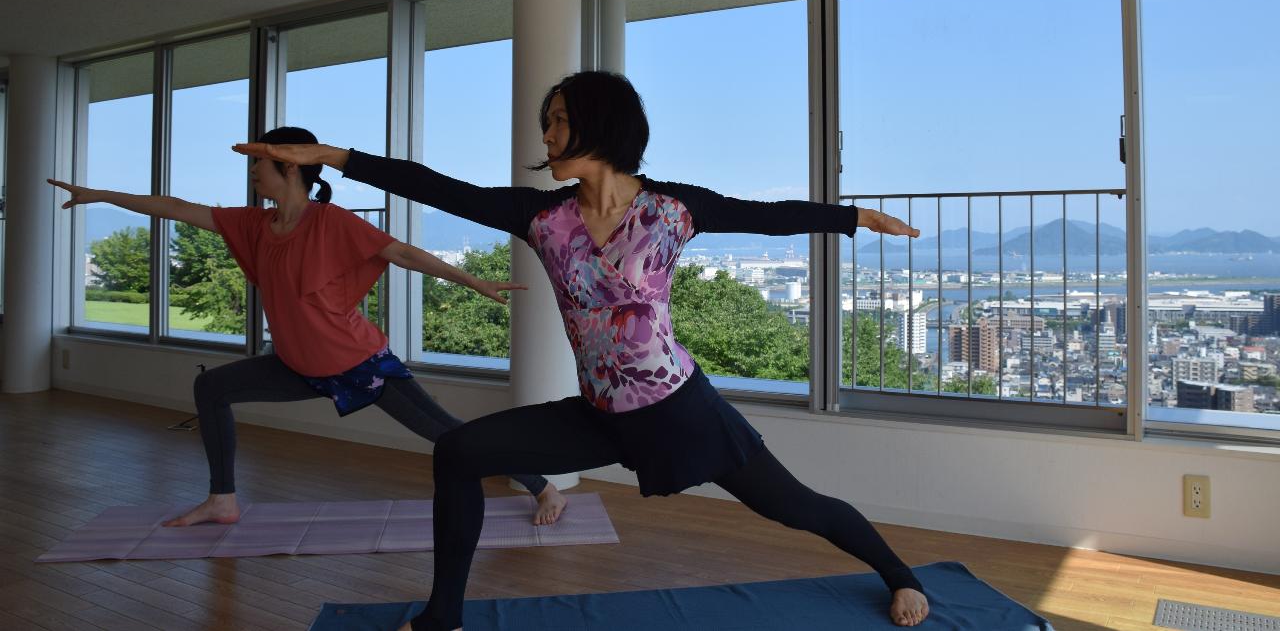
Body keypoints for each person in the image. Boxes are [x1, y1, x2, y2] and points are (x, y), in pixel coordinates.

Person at [235, 75, 930, 629]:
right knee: (460, 452)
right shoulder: (544, 217)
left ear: (601, 123)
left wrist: (856, 216)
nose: (547, 133)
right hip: (598, 411)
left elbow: (769, 216)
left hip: (679, 408)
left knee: (797, 507)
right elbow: (440, 187)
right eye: (548, 120)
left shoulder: (672, 209)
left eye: (559, 118)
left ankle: (900, 572)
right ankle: (442, 616)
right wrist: (331, 158)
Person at [48, 126, 566, 529]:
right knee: (212, 387)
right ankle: (222, 499)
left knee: (448, 434)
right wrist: (101, 194)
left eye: (260, 164)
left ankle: (544, 486)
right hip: (296, 366)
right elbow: (180, 209)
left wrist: (474, 281)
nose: (253, 173)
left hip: (358, 364)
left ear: (291, 167)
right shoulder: (255, 225)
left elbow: (400, 252)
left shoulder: (330, 221)